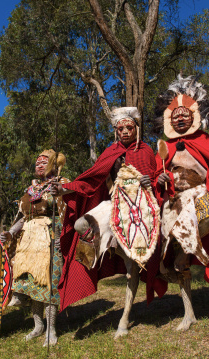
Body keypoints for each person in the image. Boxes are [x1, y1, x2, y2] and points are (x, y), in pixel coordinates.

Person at [51, 107, 167, 312]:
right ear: (115, 130)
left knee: (140, 260)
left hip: (141, 206)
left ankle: (142, 264)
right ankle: (104, 249)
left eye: (129, 127)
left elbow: (156, 179)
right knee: (80, 224)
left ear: (136, 128)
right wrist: (64, 189)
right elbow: (91, 179)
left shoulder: (146, 151)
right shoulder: (110, 152)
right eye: (120, 128)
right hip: (114, 202)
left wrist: (153, 181)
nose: (124, 131)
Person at [153, 75, 209, 310]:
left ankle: (186, 249)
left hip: (200, 195)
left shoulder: (204, 140)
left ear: (194, 116)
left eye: (185, 114)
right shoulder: (166, 146)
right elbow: (156, 177)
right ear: (170, 119)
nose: (181, 118)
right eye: (176, 115)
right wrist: (159, 180)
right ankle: (188, 311)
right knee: (177, 253)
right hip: (174, 200)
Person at [0, 149, 69, 346]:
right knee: (33, 286)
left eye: (44, 162)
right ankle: (38, 326)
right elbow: (23, 216)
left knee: (48, 284)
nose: (38, 165)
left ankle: (51, 330)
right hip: (29, 241)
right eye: (37, 162)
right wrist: (11, 233)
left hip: (50, 237)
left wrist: (63, 235)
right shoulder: (32, 189)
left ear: (54, 165)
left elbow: (69, 209)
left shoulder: (61, 184)